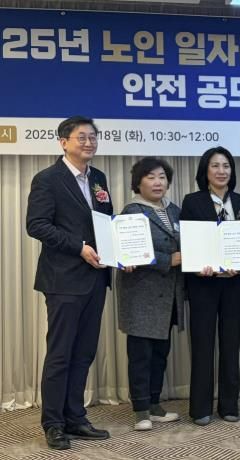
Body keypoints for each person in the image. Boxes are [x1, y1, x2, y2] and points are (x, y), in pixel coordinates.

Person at [26, 116, 112, 450]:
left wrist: (117, 249)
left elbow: (105, 222)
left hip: (96, 277)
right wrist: (79, 247)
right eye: (82, 137)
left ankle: (75, 417)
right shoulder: (47, 179)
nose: (89, 143)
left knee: (84, 352)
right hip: (63, 279)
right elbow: (37, 225)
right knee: (60, 354)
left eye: (93, 137)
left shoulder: (98, 178)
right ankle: (53, 423)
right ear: (64, 142)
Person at [180, 147, 240, 425]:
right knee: (202, 344)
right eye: (215, 166)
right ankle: (201, 408)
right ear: (205, 171)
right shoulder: (193, 201)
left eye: (226, 166)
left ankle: (229, 404)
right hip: (203, 284)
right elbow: (188, 241)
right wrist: (198, 265)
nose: (221, 171)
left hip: (235, 284)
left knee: (231, 344)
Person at [116, 157, 184, 430]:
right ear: (138, 183)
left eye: (162, 177)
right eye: (151, 177)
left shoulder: (174, 210)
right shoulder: (131, 212)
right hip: (141, 294)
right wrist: (169, 260)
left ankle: (155, 404)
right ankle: (141, 410)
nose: (158, 183)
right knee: (140, 354)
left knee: (160, 352)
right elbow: (130, 251)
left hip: (169, 294)